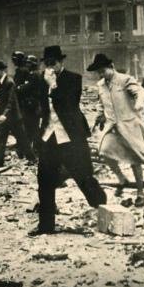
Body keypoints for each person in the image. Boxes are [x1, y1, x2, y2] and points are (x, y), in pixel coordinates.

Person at [32, 45, 106, 236]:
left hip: (71, 136)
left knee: (83, 176)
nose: (50, 67)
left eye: (53, 63)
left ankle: (104, 208)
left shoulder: (73, 79)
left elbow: (68, 104)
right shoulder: (42, 80)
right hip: (49, 136)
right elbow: (40, 108)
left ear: (61, 62)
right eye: (47, 64)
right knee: (45, 181)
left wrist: (53, 86)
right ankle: (46, 226)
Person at [88, 53, 144, 207]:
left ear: (111, 67)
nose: (101, 75)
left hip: (129, 125)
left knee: (135, 160)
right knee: (103, 151)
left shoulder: (124, 80)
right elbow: (102, 104)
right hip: (112, 126)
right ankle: (122, 179)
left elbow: (140, 92)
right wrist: (99, 116)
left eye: (103, 71)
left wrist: (140, 102)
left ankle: (140, 193)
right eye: (98, 72)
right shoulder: (101, 85)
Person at [0, 61, 35, 167]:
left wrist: (4, 114)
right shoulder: (2, 82)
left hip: (13, 117)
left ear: (1, 71)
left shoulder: (9, 82)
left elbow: (11, 101)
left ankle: (32, 158)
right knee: (0, 137)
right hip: (7, 117)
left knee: (22, 139)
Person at [16, 54, 41, 155]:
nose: (27, 65)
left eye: (29, 63)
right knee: (33, 127)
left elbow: (27, 87)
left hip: (32, 105)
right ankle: (34, 149)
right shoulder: (36, 73)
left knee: (31, 127)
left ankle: (33, 149)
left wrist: (19, 87)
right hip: (33, 104)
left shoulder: (33, 75)